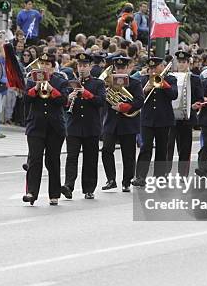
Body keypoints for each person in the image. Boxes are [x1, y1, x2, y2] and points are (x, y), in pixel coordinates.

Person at [22, 52, 68, 205]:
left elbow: (63, 100)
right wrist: (36, 88)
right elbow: (25, 99)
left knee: (52, 160)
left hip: (55, 127)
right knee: (35, 159)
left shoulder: (60, 81)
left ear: (52, 67)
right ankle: (31, 192)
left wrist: (50, 88)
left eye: (48, 64)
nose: (44, 67)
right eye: (42, 64)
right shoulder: (31, 80)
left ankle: (54, 194)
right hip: (36, 126)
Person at [61, 53, 106, 200]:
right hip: (73, 126)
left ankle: (89, 188)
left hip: (91, 127)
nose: (82, 68)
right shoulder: (71, 83)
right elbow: (63, 103)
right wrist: (69, 98)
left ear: (90, 67)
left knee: (90, 158)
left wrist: (87, 94)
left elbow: (101, 102)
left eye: (85, 66)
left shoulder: (98, 84)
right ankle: (68, 186)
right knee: (71, 157)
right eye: (80, 66)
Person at [101, 55, 144, 192]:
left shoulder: (135, 83)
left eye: (122, 68)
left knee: (128, 154)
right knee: (106, 150)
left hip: (128, 122)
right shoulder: (108, 83)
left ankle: (126, 181)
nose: (120, 70)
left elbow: (139, 101)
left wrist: (126, 106)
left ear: (127, 68)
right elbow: (102, 100)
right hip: (111, 122)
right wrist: (107, 96)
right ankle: (111, 179)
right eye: (117, 68)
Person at [133, 57, 178, 186]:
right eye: (151, 68)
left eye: (155, 68)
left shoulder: (170, 79)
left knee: (162, 149)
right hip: (147, 119)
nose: (153, 71)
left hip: (164, 119)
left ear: (162, 67)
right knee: (145, 147)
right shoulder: (142, 80)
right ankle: (140, 176)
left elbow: (174, 95)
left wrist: (163, 84)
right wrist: (145, 90)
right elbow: (137, 99)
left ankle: (159, 176)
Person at [167, 51, 204, 176]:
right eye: (179, 62)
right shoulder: (171, 77)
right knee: (168, 146)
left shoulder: (194, 79)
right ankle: (165, 172)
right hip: (171, 117)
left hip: (187, 117)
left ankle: (183, 174)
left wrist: (194, 106)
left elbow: (200, 98)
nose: (181, 64)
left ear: (188, 63)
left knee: (185, 147)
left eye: (184, 62)